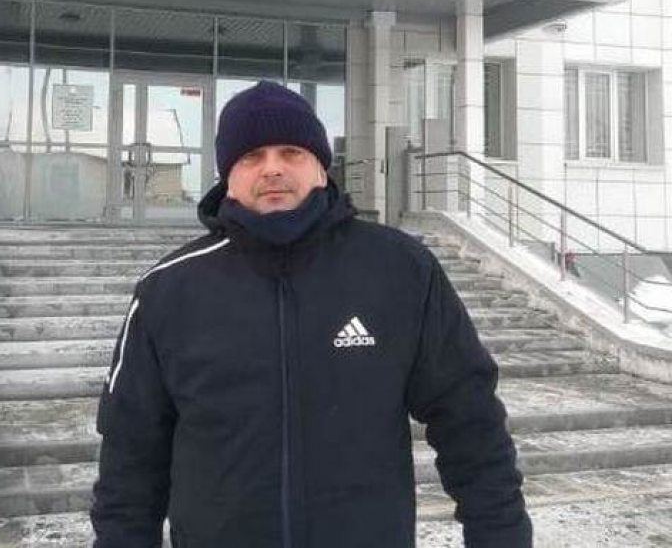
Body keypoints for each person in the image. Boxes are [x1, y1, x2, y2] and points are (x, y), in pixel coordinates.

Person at [91, 81, 533, 548]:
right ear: (228, 177)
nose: (273, 168)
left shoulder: (400, 270)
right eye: (252, 156)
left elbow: (470, 422)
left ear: (321, 169)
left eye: (291, 153)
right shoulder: (169, 290)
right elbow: (130, 460)